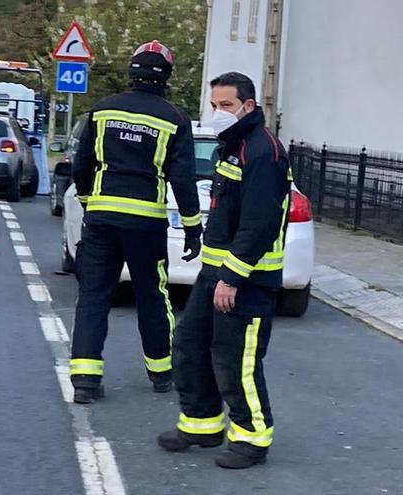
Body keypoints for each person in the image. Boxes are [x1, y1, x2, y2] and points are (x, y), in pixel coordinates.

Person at [156, 72, 292, 469]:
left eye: (226, 106)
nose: (218, 113)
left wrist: (232, 277)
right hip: (215, 274)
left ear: (248, 106)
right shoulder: (234, 146)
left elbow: (258, 224)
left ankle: (252, 439)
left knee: (236, 361)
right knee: (189, 345)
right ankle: (201, 424)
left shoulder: (263, 152)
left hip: (246, 280)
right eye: (214, 106)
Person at [69, 40, 203, 404]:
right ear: (166, 77)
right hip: (146, 223)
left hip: (101, 220)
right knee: (153, 296)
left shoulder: (102, 110)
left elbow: (82, 166)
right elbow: (182, 178)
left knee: (94, 296)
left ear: (132, 72)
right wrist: (192, 228)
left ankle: (85, 379)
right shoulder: (174, 119)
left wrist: (87, 202)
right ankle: (161, 373)